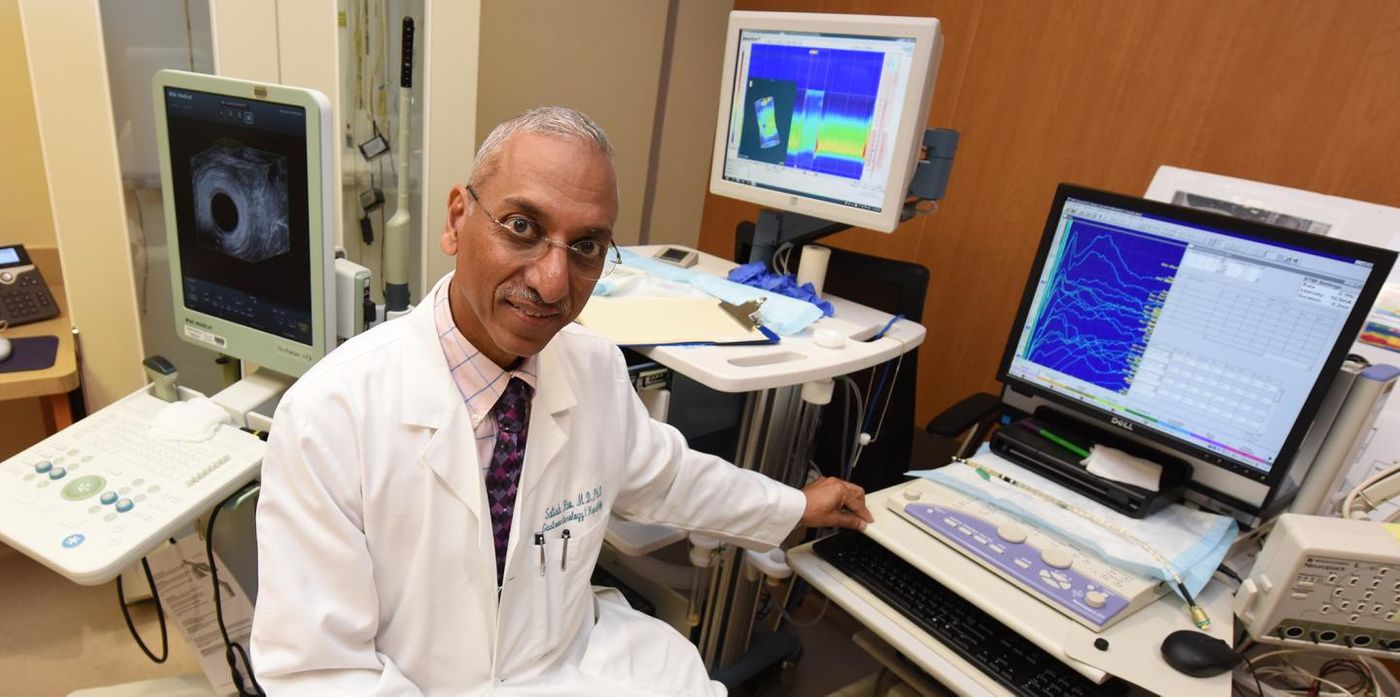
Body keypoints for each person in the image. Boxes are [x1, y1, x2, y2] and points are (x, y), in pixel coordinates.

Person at [251, 106, 873, 696]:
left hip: (568, 664)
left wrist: (794, 506)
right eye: (522, 227)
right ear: (456, 219)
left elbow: (666, 478)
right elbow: (323, 674)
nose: (552, 281)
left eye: (586, 247)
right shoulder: (328, 418)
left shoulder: (594, 367)